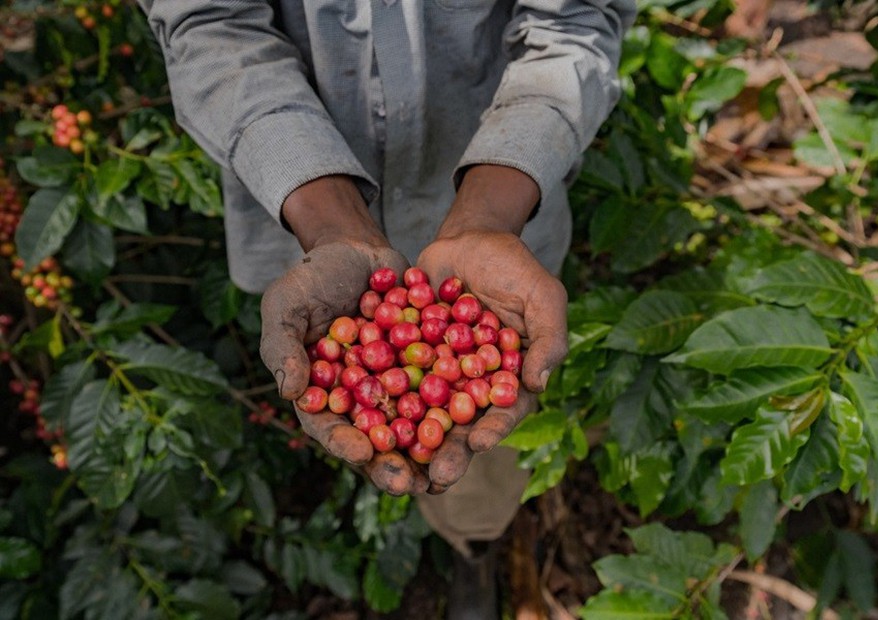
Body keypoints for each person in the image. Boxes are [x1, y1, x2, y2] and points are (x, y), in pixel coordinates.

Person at [140, 1, 635, 616]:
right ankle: (466, 538)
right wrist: (330, 225)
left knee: (479, 449)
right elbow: (210, 24)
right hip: (304, 213)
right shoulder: (402, 345)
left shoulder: (439, 337)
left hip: (503, 207)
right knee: (442, 424)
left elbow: (575, 22)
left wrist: (486, 215)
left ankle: (475, 543)